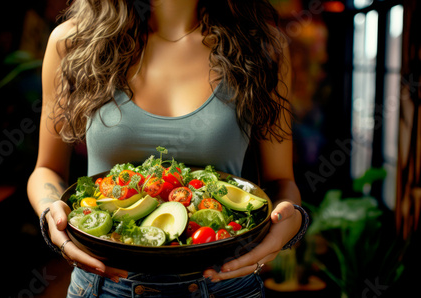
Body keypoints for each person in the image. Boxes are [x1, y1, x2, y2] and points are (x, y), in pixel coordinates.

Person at [27, 0, 309, 297]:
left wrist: (287, 227)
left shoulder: (264, 45)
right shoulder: (71, 41)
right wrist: (52, 214)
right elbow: (46, 169)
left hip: (224, 285)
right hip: (103, 286)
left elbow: (281, 183)